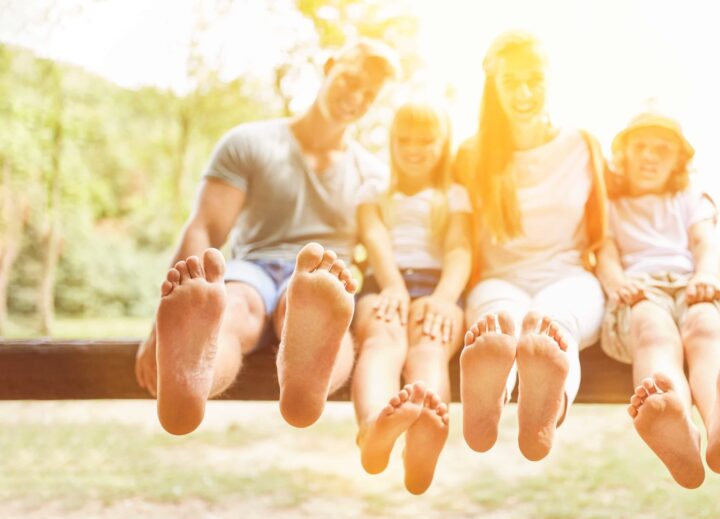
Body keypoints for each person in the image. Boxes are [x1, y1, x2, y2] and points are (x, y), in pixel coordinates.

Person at [134, 39, 399, 436]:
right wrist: (160, 324)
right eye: (350, 80)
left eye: (370, 94)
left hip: (320, 280)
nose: (356, 97)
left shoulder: (372, 174)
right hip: (252, 269)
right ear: (329, 67)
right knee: (234, 308)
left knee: (315, 310)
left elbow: (380, 243)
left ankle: (308, 377)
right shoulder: (250, 143)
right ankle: (191, 378)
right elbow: (205, 227)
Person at [596, 111, 720, 488]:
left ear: (679, 159)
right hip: (640, 289)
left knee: (705, 328)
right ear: (623, 154)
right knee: (651, 329)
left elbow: (704, 243)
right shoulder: (609, 205)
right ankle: (674, 418)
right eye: (640, 147)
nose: (649, 156)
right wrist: (614, 281)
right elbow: (606, 254)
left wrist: (706, 276)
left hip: (693, 284)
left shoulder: (690, 198)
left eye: (662, 149)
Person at [453, 31, 608, 461]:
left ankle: (545, 412)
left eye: (534, 79)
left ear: (550, 79)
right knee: (499, 323)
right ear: (494, 86)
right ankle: (488, 401)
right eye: (511, 82)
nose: (524, 92)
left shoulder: (582, 145)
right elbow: (458, 239)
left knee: (554, 326)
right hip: (499, 279)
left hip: (570, 277)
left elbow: (606, 229)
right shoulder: (470, 155)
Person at [351, 101, 471, 494]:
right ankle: (373, 426)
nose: (414, 148)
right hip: (384, 282)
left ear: (443, 143)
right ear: (391, 142)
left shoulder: (454, 196)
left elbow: (459, 250)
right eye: (404, 140)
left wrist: (443, 297)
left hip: (438, 286)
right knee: (382, 338)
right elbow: (374, 238)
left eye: (426, 140)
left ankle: (424, 437)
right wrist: (392, 286)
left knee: (429, 345)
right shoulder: (374, 191)